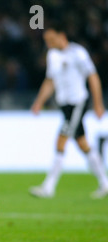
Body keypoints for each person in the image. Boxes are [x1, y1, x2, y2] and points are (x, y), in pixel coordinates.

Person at [30, 24, 108, 199]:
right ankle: (105, 183)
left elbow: (93, 76)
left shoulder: (78, 53)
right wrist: (38, 102)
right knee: (82, 143)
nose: (48, 44)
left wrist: (98, 104)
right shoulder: (53, 56)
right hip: (64, 106)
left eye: (51, 40)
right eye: (46, 41)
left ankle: (48, 187)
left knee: (61, 141)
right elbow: (50, 81)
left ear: (61, 35)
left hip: (77, 103)